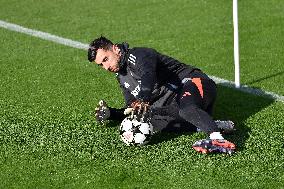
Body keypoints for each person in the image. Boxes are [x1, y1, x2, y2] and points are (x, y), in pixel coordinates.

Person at [88, 36, 236, 154]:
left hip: (194, 82)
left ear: (115, 49)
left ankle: (218, 139)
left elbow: (148, 74)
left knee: (186, 109)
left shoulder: (139, 54)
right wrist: (111, 113)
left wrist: (144, 98)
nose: (106, 67)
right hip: (174, 101)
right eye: (101, 65)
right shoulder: (121, 78)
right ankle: (209, 124)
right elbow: (132, 108)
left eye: (105, 59)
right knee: (150, 120)